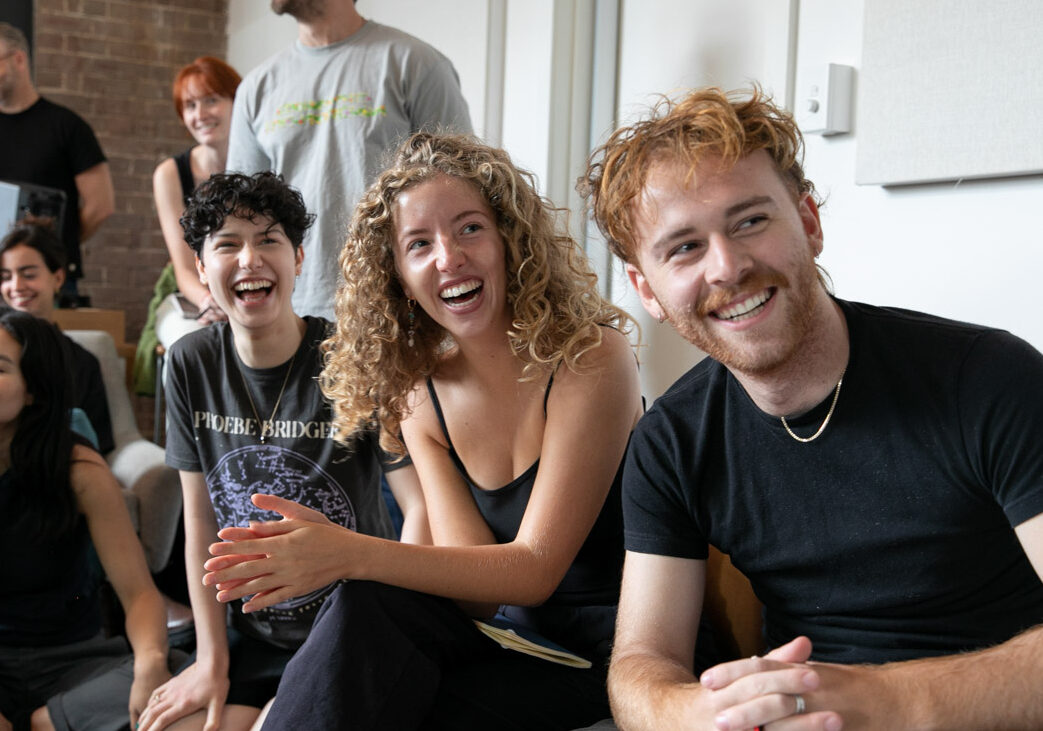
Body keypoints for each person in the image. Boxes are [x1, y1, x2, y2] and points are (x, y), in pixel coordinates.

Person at [578, 86, 1043, 730]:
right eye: (683, 247)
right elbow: (641, 663)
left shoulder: (989, 378)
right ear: (645, 289)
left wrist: (891, 703)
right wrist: (699, 714)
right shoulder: (671, 442)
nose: (727, 267)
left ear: (810, 223)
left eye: (750, 221)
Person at [203, 132, 643, 730]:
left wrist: (347, 553)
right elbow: (478, 592)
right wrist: (351, 565)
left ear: (510, 239)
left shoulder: (591, 358)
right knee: (367, 608)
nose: (447, 257)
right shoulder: (421, 397)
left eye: (469, 228)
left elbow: (534, 572)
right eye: (419, 244)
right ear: (398, 278)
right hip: (509, 642)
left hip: (612, 661)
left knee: (373, 623)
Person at [133, 171, 427, 731]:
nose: (249, 259)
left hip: (346, 626)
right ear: (200, 268)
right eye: (227, 244)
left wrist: (395, 618)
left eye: (268, 240)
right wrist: (209, 660)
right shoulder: (190, 363)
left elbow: (418, 507)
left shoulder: (349, 357)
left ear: (297, 258)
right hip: (253, 633)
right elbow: (200, 524)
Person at [226, 0, 472, 320]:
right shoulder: (256, 88)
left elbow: (459, 189)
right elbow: (242, 213)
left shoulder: (416, 64)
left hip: (395, 309)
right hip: (288, 313)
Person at [0, 310, 170, 731]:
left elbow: (139, 595)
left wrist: (151, 664)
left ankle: (49, 722)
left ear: (33, 390)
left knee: (183, 685)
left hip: (73, 663)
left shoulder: (78, 470)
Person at [0, 22, 115, 299]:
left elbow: (101, 205)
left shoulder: (67, 126)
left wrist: (51, 248)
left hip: (49, 278)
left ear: (18, 59)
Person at [0, 221, 114, 454]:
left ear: (59, 278)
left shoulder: (82, 362)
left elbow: (99, 445)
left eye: (29, 274)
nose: (16, 286)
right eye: (6, 276)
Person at [152, 56, 242, 346]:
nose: (200, 114)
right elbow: (184, 268)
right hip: (195, 293)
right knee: (192, 343)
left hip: (248, 287)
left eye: (211, 100)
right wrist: (209, 301)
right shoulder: (170, 174)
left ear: (237, 102)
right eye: (190, 105)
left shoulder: (259, 166)